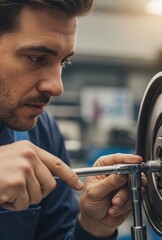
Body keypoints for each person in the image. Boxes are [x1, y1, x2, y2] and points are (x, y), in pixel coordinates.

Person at [0, 0, 145, 239]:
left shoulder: (43, 132)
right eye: (37, 58)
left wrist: (92, 226)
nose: (57, 87)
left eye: (63, 62)